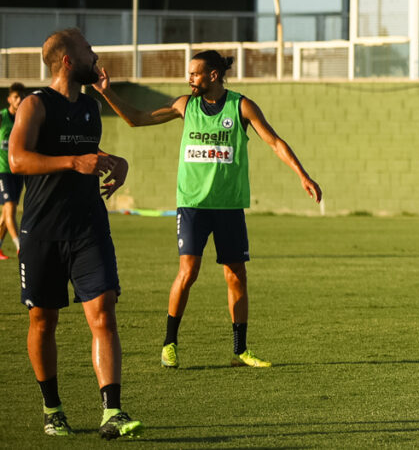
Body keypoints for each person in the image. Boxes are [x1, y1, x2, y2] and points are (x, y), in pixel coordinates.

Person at [94, 50, 322, 369]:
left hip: (229, 206)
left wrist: (302, 175)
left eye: (194, 74)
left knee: (236, 275)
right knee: (188, 272)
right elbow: (137, 119)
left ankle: (240, 350)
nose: (189, 79)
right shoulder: (184, 105)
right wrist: (108, 93)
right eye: (189, 74)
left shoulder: (241, 106)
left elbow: (274, 142)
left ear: (213, 75)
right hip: (192, 205)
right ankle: (169, 344)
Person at [9, 29, 142, 439]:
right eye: (88, 49)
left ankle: (112, 411)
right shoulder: (35, 105)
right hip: (43, 232)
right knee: (43, 321)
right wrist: (72, 161)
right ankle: (53, 410)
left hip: (89, 229)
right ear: (68, 60)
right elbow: (17, 160)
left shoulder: (88, 105)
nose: (95, 54)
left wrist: (114, 163)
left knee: (103, 313)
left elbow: (88, 158)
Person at [0, 82, 27, 259]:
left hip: (18, 170)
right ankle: (20, 247)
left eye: (21, 97)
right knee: (10, 208)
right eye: (16, 97)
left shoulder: (24, 118)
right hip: (3, 171)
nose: (19, 100)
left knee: (6, 215)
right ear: (10, 98)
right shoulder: (2, 117)